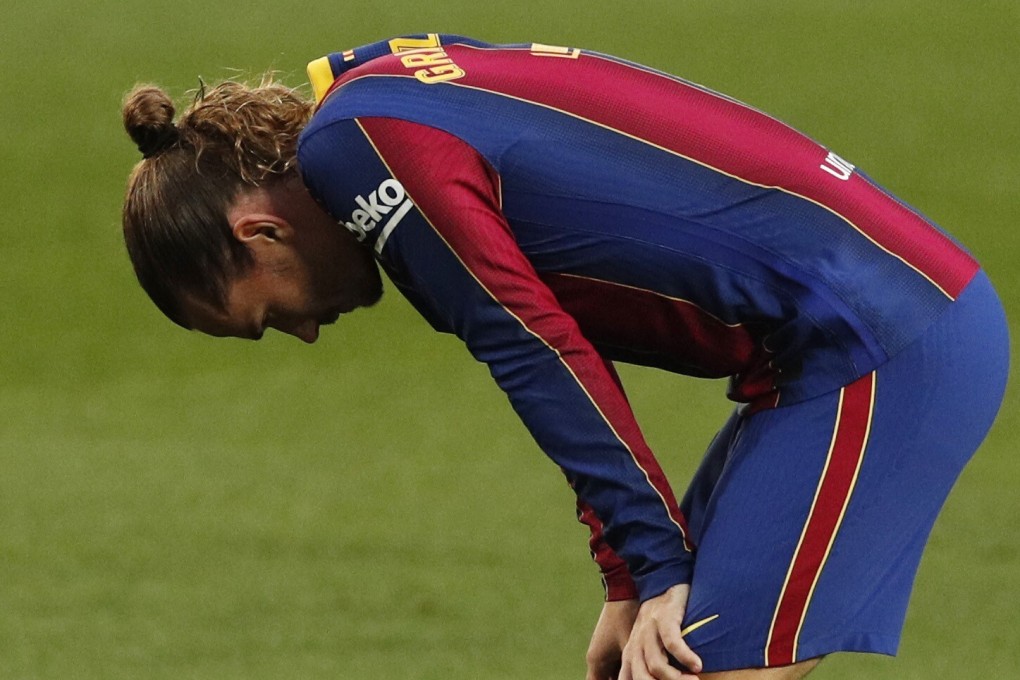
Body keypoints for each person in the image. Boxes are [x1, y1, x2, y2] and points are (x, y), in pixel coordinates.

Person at [119, 34, 1008, 680]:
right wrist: (630, 576)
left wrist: (653, 563)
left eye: (267, 318)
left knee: (696, 668)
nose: (306, 334)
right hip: (831, 344)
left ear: (261, 231)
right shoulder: (372, 93)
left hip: (883, 336)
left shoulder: (359, 148)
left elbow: (531, 344)